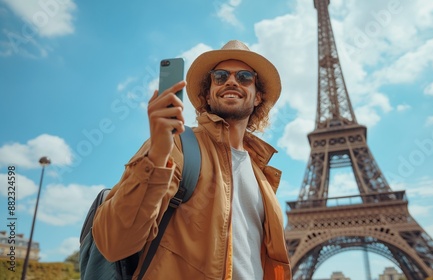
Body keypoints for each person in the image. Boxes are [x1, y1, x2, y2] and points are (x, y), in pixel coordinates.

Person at [93, 40, 292, 279]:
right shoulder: (176, 145)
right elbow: (115, 243)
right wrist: (157, 155)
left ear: (258, 97)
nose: (231, 81)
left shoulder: (263, 178)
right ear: (207, 95)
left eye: (244, 77)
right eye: (219, 76)